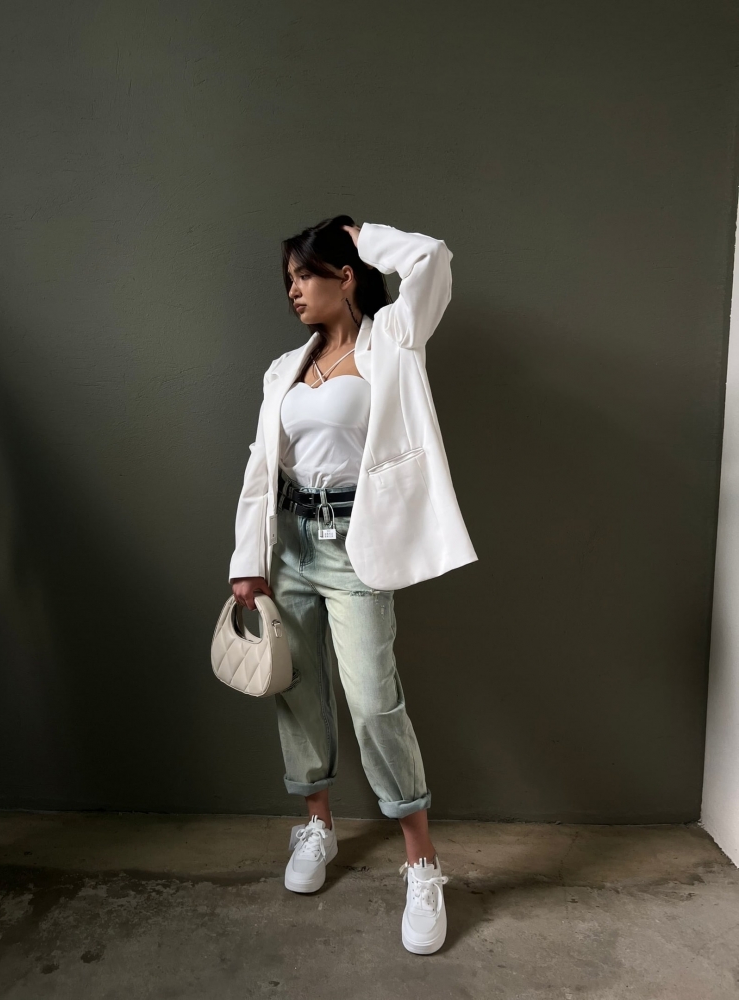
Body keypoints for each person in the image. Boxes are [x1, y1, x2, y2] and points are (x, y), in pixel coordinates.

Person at [228, 215, 478, 955]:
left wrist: (361, 233)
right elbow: (261, 470)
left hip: (355, 549)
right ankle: (317, 826)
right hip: (290, 547)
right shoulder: (284, 369)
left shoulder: (393, 340)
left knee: (372, 700)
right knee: (297, 691)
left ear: (344, 276)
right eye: (288, 280)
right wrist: (247, 558)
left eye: (305, 274)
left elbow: (432, 259)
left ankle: (422, 864)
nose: (293, 290)